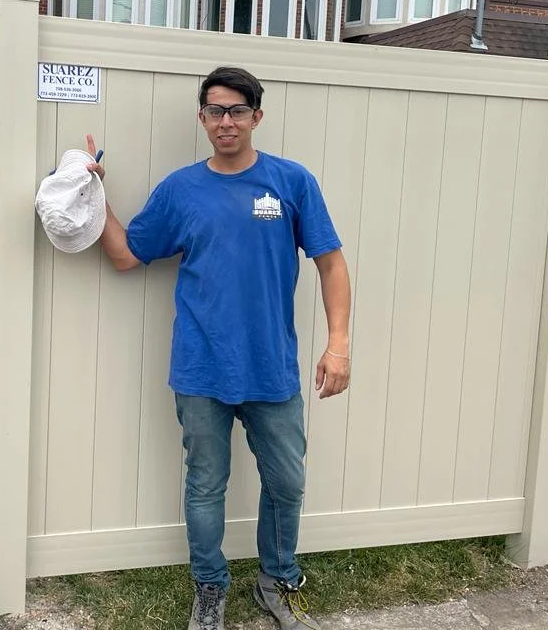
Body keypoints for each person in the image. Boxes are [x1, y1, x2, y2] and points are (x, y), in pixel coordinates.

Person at [84, 66, 351, 630]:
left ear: (257, 116)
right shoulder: (181, 190)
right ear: (201, 118)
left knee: (287, 483)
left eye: (235, 111)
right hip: (201, 368)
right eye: (214, 111)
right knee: (205, 486)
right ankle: (210, 589)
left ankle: (277, 581)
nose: (224, 121)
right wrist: (92, 192)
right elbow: (129, 254)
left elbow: (331, 263)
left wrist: (339, 343)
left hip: (271, 370)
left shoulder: (291, 182)